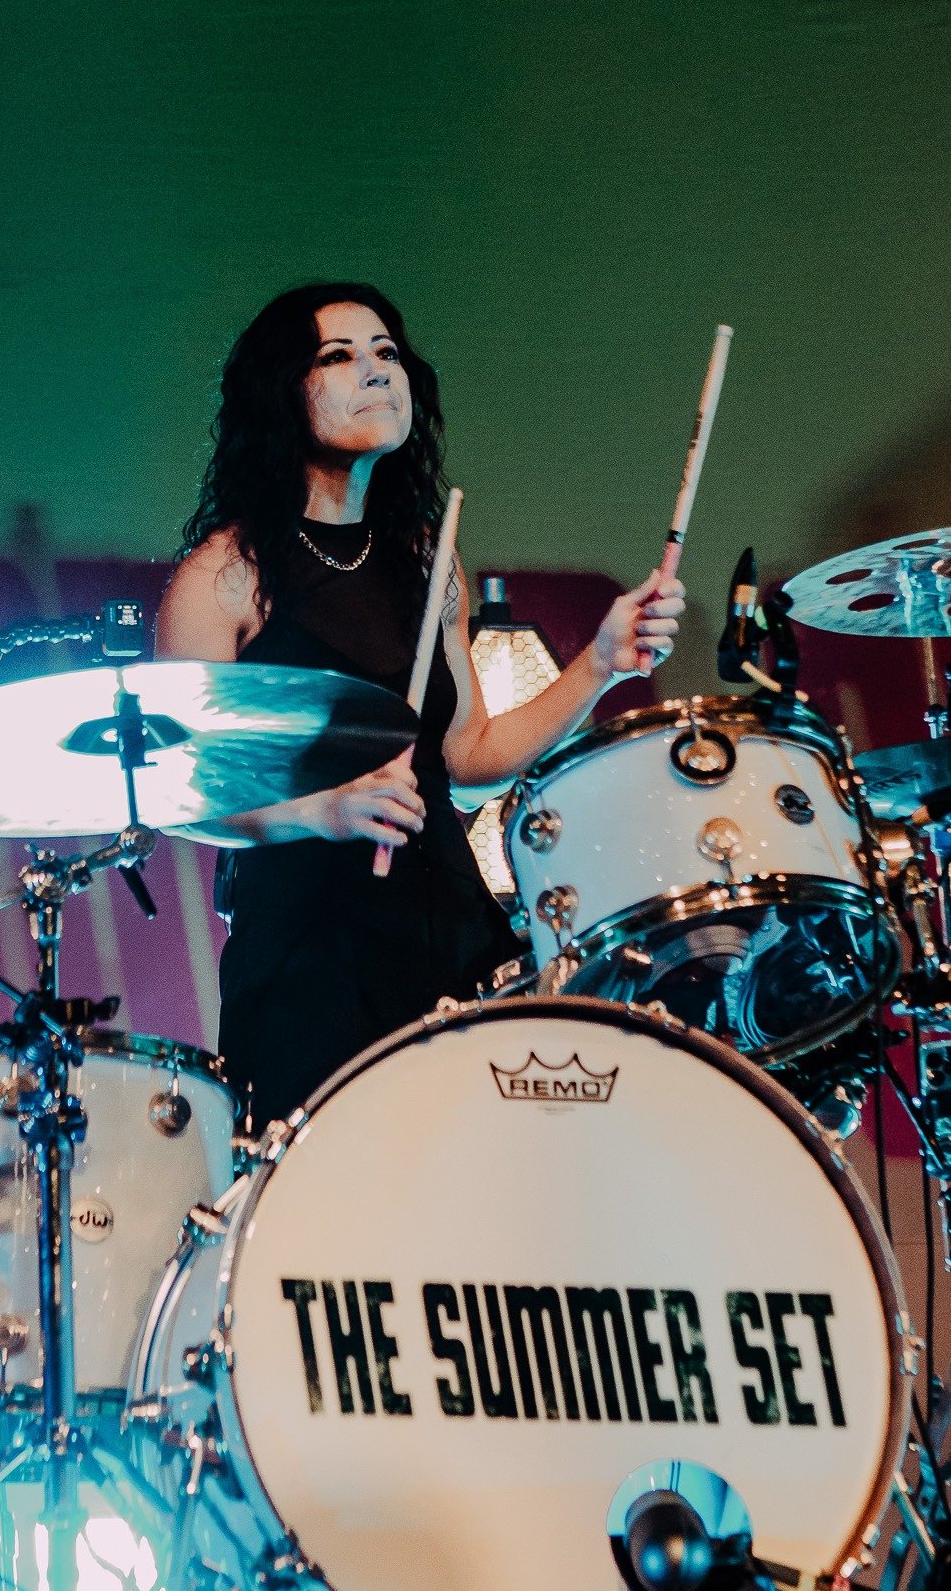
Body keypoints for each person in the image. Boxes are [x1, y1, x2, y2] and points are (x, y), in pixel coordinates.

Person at [157, 283, 686, 1125]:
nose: (375, 371)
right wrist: (322, 811)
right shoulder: (225, 576)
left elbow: (467, 760)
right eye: (338, 356)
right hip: (310, 957)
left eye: (386, 353)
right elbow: (178, 792)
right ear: (281, 393)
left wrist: (599, 665)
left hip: (449, 935)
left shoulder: (426, 561)